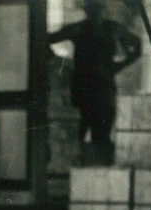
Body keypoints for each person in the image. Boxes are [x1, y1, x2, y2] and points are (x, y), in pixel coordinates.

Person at [47, 0, 141, 165]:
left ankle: (98, 169)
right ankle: (85, 166)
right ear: (87, 10)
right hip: (86, 87)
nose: (94, 12)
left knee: (102, 130)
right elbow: (46, 39)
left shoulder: (111, 29)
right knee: (83, 127)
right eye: (92, 8)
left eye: (97, 8)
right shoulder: (80, 29)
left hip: (102, 86)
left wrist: (119, 65)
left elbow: (137, 47)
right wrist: (58, 60)